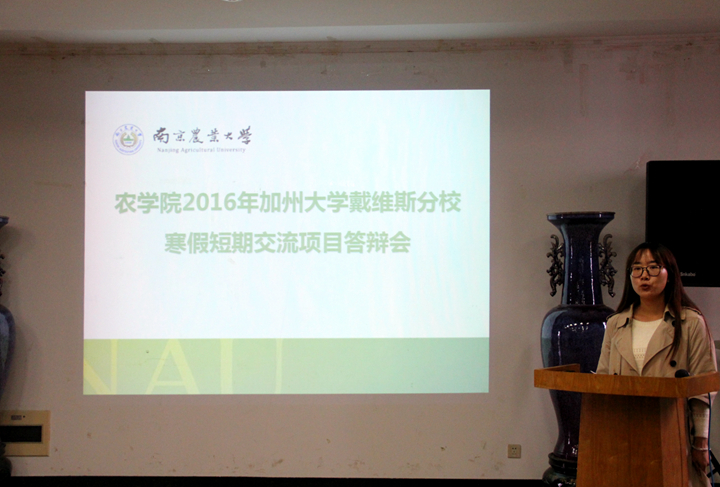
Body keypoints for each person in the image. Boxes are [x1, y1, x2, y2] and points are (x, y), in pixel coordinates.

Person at [596, 242, 717, 486]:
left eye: (653, 267)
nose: (644, 275)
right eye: (637, 268)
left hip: (672, 434)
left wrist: (701, 444)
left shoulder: (691, 322)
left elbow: (703, 391)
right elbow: (602, 381)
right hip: (623, 433)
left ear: (669, 274)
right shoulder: (616, 324)